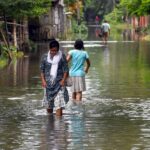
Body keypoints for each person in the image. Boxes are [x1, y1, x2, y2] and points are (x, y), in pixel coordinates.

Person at [40, 39, 69, 116]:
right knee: (49, 106)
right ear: (49, 49)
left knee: (58, 104)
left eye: (55, 51)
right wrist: (43, 81)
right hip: (48, 85)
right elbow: (42, 70)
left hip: (59, 84)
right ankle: (50, 124)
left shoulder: (62, 56)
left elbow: (66, 70)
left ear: (58, 49)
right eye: (52, 50)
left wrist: (63, 81)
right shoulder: (44, 57)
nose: (53, 52)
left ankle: (59, 125)